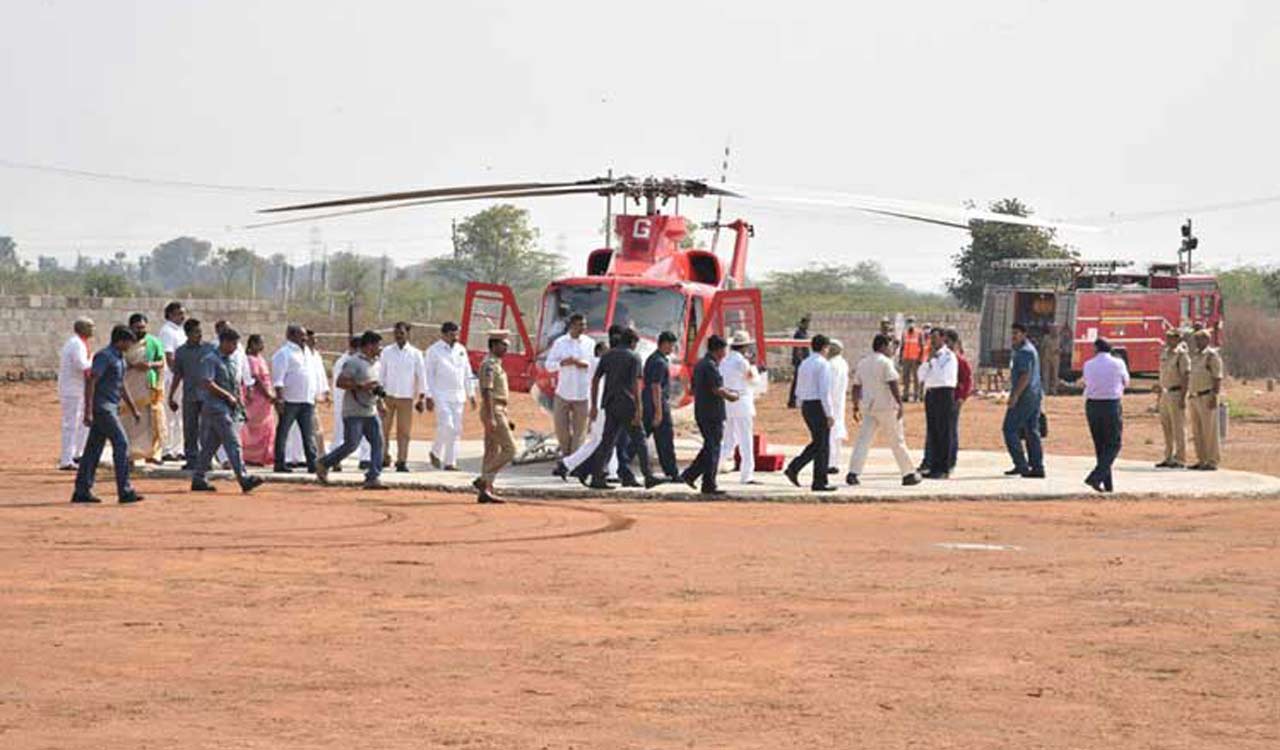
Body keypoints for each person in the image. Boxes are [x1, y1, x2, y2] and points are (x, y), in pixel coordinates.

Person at [571, 328, 659, 489]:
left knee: (607, 442)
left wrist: (595, 405)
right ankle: (649, 476)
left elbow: (596, 380)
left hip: (610, 404)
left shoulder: (608, 356)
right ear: (632, 342)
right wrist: (639, 409)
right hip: (628, 404)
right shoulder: (634, 357)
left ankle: (597, 477)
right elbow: (636, 385)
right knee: (640, 440)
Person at [71, 325, 144, 504]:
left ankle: (82, 490)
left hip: (110, 406)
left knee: (93, 450)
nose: (129, 346)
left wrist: (132, 407)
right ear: (119, 341)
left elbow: (121, 385)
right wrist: (88, 411)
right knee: (121, 443)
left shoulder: (120, 358)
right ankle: (124, 490)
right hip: (103, 408)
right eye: (128, 342)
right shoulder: (105, 356)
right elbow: (91, 381)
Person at [190, 327, 265, 494]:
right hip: (216, 408)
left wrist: (238, 402)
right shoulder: (210, 359)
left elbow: (235, 384)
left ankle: (198, 477)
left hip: (228, 407)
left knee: (210, 445)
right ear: (223, 342)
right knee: (233, 443)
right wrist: (227, 396)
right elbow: (207, 383)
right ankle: (243, 478)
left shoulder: (231, 361)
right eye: (232, 343)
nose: (235, 347)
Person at [316, 330, 388, 490]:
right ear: (369, 345)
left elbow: (375, 384)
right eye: (378, 345)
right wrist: (361, 386)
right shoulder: (354, 362)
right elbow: (340, 382)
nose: (380, 348)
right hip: (354, 411)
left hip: (370, 410)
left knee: (378, 442)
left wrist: (380, 402)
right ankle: (324, 463)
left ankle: (373, 476)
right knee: (351, 444)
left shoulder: (376, 363)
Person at [846, 333, 920, 486]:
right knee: (897, 441)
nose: (892, 349)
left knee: (863, 441)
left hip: (869, 407)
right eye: (890, 346)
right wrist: (900, 403)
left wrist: (855, 406)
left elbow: (856, 386)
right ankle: (908, 473)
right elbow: (893, 383)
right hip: (886, 407)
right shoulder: (886, 363)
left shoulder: (863, 363)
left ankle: (853, 472)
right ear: (883, 346)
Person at [680, 334, 739, 497]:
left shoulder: (701, 364)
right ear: (719, 350)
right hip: (711, 412)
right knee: (713, 448)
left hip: (703, 410)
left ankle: (690, 475)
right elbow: (716, 389)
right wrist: (732, 396)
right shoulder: (710, 366)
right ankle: (708, 483)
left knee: (709, 446)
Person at [555, 341, 618, 481]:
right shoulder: (597, 363)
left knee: (604, 439)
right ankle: (567, 464)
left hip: (600, 404)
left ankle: (612, 471)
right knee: (604, 439)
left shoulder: (598, 364)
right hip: (600, 406)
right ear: (600, 352)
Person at [785, 334, 837, 492]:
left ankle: (796, 468)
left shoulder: (805, 363)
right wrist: (829, 413)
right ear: (824, 347)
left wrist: (801, 402)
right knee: (822, 445)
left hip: (807, 404)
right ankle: (818, 480)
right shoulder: (823, 364)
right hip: (818, 405)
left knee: (818, 442)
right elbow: (824, 392)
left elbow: (799, 387)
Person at [424, 321, 476, 471]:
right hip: (440, 394)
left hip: (458, 394)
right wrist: (428, 395)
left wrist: (471, 393)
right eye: (452, 334)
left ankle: (449, 462)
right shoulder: (433, 351)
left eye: (456, 333)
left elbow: (467, 373)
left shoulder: (461, 350)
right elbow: (429, 375)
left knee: (456, 429)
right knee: (447, 425)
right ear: (444, 334)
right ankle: (435, 451)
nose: (455, 337)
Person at [1081, 338, 1129, 493]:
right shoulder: (1119, 363)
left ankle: (1107, 484)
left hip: (1092, 405)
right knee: (1114, 444)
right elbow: (1126, 382)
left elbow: (1086, 382)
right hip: (1111, 404)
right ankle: (1096, 477)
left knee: (1100, 445)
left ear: (1096, 349)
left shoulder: (1088, 364)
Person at [475, 330, 516, 503]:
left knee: (492, 451)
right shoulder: (489, 365)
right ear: (494, 345)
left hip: (499, 409)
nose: (506, 348)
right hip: (493, 409)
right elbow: (487, 391)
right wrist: (492, 416)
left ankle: (486, 490)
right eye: (503, 344)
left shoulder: (496, 364)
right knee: (510, 449)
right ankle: (484, 479)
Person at [379, 321, 427, 472]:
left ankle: (401, 461)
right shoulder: (386, 352)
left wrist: (422, 398)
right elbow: (381, 374)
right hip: (388, 396)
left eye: (401, 333)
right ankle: (383, 457)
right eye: (396, 333)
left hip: (406, 398)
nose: (398, 336)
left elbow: (422, 376)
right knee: (383, 430)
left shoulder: (416, 353)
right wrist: (379, 396)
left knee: (404, 431)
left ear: (407, 334)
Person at [167, 318, 214, 469]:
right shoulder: (181, 352)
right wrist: (171, 395)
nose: (199, 335)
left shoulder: (210, 349)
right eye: (195, 332)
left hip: (207, 395)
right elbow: (177, 375)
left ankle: (206, 460)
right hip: (190, 395)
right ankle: (192, 459)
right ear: (187, 334)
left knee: (206, 429)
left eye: (200, 332)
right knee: (190, 428)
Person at [546, 313, 595, 455]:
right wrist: (563, 363)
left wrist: (581, 364)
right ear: (572, 326)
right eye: (580, 325)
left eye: (584, 325)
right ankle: (567, 456)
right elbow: (549, 365)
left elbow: (594, 364)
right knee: (561, 429)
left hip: (582, 394)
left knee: (580, 431)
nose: (583, 328)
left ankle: (573, 462)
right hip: (563, 393)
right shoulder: (560, 343)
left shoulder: (590, 343)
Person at [272, 325, 318, 473]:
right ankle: (279, 463)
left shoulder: (308, 353)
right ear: (291, 335)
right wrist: (279, 400)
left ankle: (313, 463)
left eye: (305, 335)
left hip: (306, 400)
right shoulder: (284, 353)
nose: (305, 338)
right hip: (290, 400)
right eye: (301, 335)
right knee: (283, 432)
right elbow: (278, 380)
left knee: (308, 434)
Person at [1001, 322, 1045, 479]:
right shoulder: (1021, 350)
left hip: (1025, 396)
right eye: (1012, 333)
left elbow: (1025, 376)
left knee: (1009, 429)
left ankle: (1022, 464)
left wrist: (1015, 396)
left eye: (1017, 333)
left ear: (1024, 334)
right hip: (1033, 394)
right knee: (1031, 431)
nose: (1013, 336)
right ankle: (1037, 466)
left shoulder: (1025, 351)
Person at [719, 330, 762, 484]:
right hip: (742, 400)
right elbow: (754, 380)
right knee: (745, 439)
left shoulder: (724, 361)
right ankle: (747, 474)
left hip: (728, 401)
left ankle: (714, 466)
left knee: (728, 439)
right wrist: (754, 367)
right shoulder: (742, 362)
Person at [916, 327, 958, 479]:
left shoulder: (948, 356)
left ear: (942, 338)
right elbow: (920, 375)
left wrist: (932, 362)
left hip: (944, 393)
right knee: (933, 431)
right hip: (931, 394)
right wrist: (929, 362)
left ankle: (944, 468)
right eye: (930, 338)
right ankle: (934, 466)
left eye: (935, 337)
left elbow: (942, 376)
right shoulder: (931, 357)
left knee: (944, 431)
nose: (932, 341)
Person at [127, 312, 166, 463]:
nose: (141, 330)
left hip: (149, 385)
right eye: (137, 328)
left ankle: (153, 454)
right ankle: (131, 454)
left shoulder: (154, 342)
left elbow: (161, 362)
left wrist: (149, 365)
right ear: (131, 327)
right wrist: (133, 365)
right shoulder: (126, 342)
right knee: (130, 421)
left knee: (152, 420)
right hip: (130, 386)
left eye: (143, 327)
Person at [57, 318, 94, 470]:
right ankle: (66, 459)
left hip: (79, 388)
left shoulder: (80, 342)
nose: (93, 329)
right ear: (82, 328)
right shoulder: (76, 343)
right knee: (70, 424)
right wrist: (94, 360)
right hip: (72, 389)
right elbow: (81, 365)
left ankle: (77, 453)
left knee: (80, 423)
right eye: (90, 327)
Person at [643, 331, 680, 481]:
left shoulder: (654, 359)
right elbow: (656, 386)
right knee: (665, 440)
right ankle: (672, 472)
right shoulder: (659, 362)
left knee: (638, 439)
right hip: (656, 403)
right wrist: (659, 412)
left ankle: (623, 467)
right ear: (664, 343)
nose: (672, 348)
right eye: (671, 345)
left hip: (648, 403)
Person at [1187, 329, 1224, 471]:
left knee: (1210, 430)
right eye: (1196, 339)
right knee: (1198, 431)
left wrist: (1214, 395)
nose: (1197, 342)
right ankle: (1201, 459)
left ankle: (1212, 460)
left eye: (1200, 339)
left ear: (1207, 340)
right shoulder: (1196, 356)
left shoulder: (1211, 356)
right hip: (1195, 396)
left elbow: (1217, 377)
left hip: (1207, 395)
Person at [1155, 327, 1191, 469]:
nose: (1169, 339)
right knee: (1166, 427)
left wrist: (1183, 397)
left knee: (1178, 427)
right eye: (1168, 336)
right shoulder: (1165, 353)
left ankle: (1180, 458)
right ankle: (1168, 456)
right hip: (1165, 393)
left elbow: (1186, 376)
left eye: (1172, 337)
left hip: (1176, 393)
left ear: (1178, 339)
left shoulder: (1181, 355)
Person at [240, 333, 277, 467]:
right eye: (259, 343)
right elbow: (256, 379)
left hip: (265, 398)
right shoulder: (250, 359)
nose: (262, 346)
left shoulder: (260, 358)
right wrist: (268, 394)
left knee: (266, 426)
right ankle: (252, 457)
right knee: (256, 427)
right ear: (253, 344)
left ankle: (264, 455)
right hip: (257, 398)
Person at [157, 301, 187, 462]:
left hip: (182, 378)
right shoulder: (167, 331)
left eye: (183, 313)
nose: (182, 316)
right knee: (170, 415)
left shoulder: (180, 331)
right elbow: (169, 357)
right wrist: (178, 375)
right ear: (169, 315)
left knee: (180, 416)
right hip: (172, 378)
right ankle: (166, 449)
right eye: (178, 313)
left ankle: (178, 448)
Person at [328, 336, 361, 471]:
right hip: (345, 402)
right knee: (340, 431)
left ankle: (365, 458)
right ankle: (334, 459)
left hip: (352, 403)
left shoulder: (350, 360)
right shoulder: (345, 362)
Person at [946, 329, 972, 473]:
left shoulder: (960, 361)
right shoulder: (942, 359)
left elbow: (967, 381)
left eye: (948, 342)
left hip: (954, 399)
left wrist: (961, 398)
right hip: (942, 400)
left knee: (951, 430)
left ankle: (951, 461)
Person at [825, 339, 849, 476]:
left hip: (832, 401)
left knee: (831, 433)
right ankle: (835, 461)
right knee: (837, 432)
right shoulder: (842, 363)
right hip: (839, 401)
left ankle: (830, 462)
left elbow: (829, 387)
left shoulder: (831, 365)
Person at [787, 315, 811, 408]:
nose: (807, 325)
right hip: (800, 361)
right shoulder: (799, 334)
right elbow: (798, 348)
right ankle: (792, 401)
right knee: (797, 381)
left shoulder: (804, 333)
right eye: (806, 323)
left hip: (804, 360)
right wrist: (800, 360)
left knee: (800, 381)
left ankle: (796, 400)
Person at [899, 317, 924, 402]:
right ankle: (905, 395)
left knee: (916, 378)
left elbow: (922, 346)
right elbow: (902, 346)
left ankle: (916, 396)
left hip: (915, 359)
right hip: (906, 358)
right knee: (906, 377)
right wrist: (900, 358)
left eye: (912, 322)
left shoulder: (919, 333)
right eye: (909, 322)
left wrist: (920, 358)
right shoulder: (904, 333)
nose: (910, 323)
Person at [1041, 324, 1061, 396]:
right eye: (1053, 329)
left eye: (1056, 329)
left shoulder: (1059, 338)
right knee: (1046, 375)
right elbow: (1042, 348)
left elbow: (1062, 348)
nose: (1055, 330)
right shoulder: (1046, 338)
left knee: (1054, 375)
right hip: (1046, 358)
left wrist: (1059, 350)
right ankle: (1045, 390)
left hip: (1055, 358)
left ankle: (1053, 391)